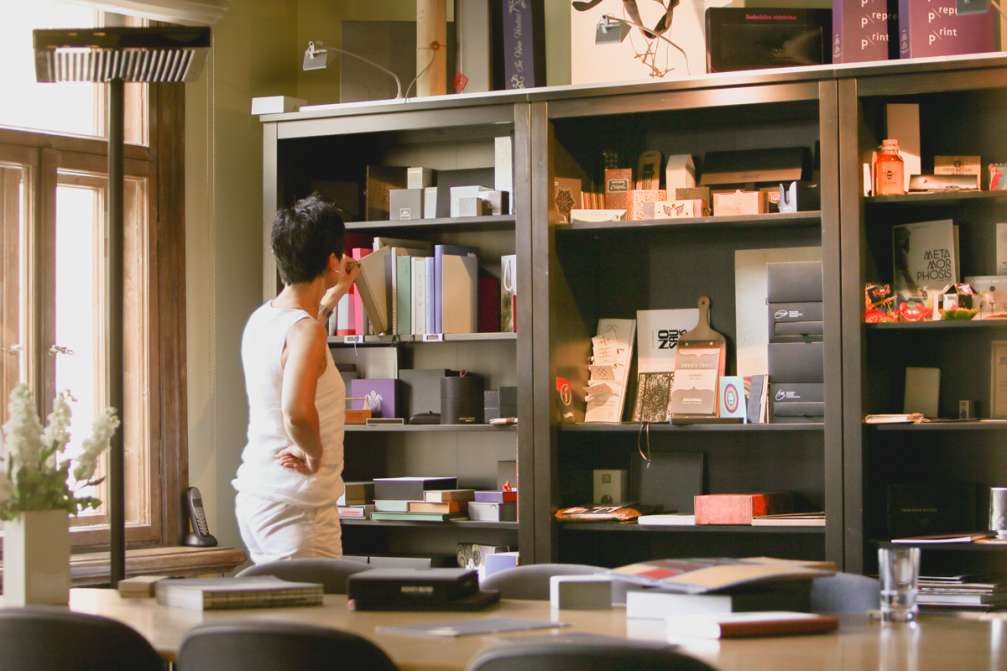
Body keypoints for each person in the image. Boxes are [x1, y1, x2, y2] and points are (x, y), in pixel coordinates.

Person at [233, 193, 359, 563]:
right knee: (321, 603)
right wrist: (313, 454)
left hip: (260, 497)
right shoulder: (306, 332)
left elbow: (302, 335)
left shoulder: (263, 318)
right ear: (332, 260)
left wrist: (333, 295)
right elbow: (297, 413)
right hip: (298, 509)